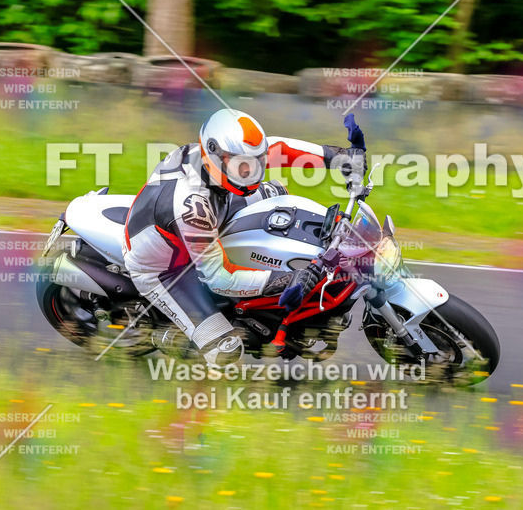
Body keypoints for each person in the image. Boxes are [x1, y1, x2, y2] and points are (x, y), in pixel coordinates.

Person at [121, 108, 364, 366]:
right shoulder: (192, 207)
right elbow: (217, 277)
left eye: (256, 161)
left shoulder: (225, 158)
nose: (251, 171)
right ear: (214, 155)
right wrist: (287, 280)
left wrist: (341, 157)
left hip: (217, 207)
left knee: (278, 193)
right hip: (166, 269)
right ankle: (166, 336)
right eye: (242, 166)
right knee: (225, 350)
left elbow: (280, 147)